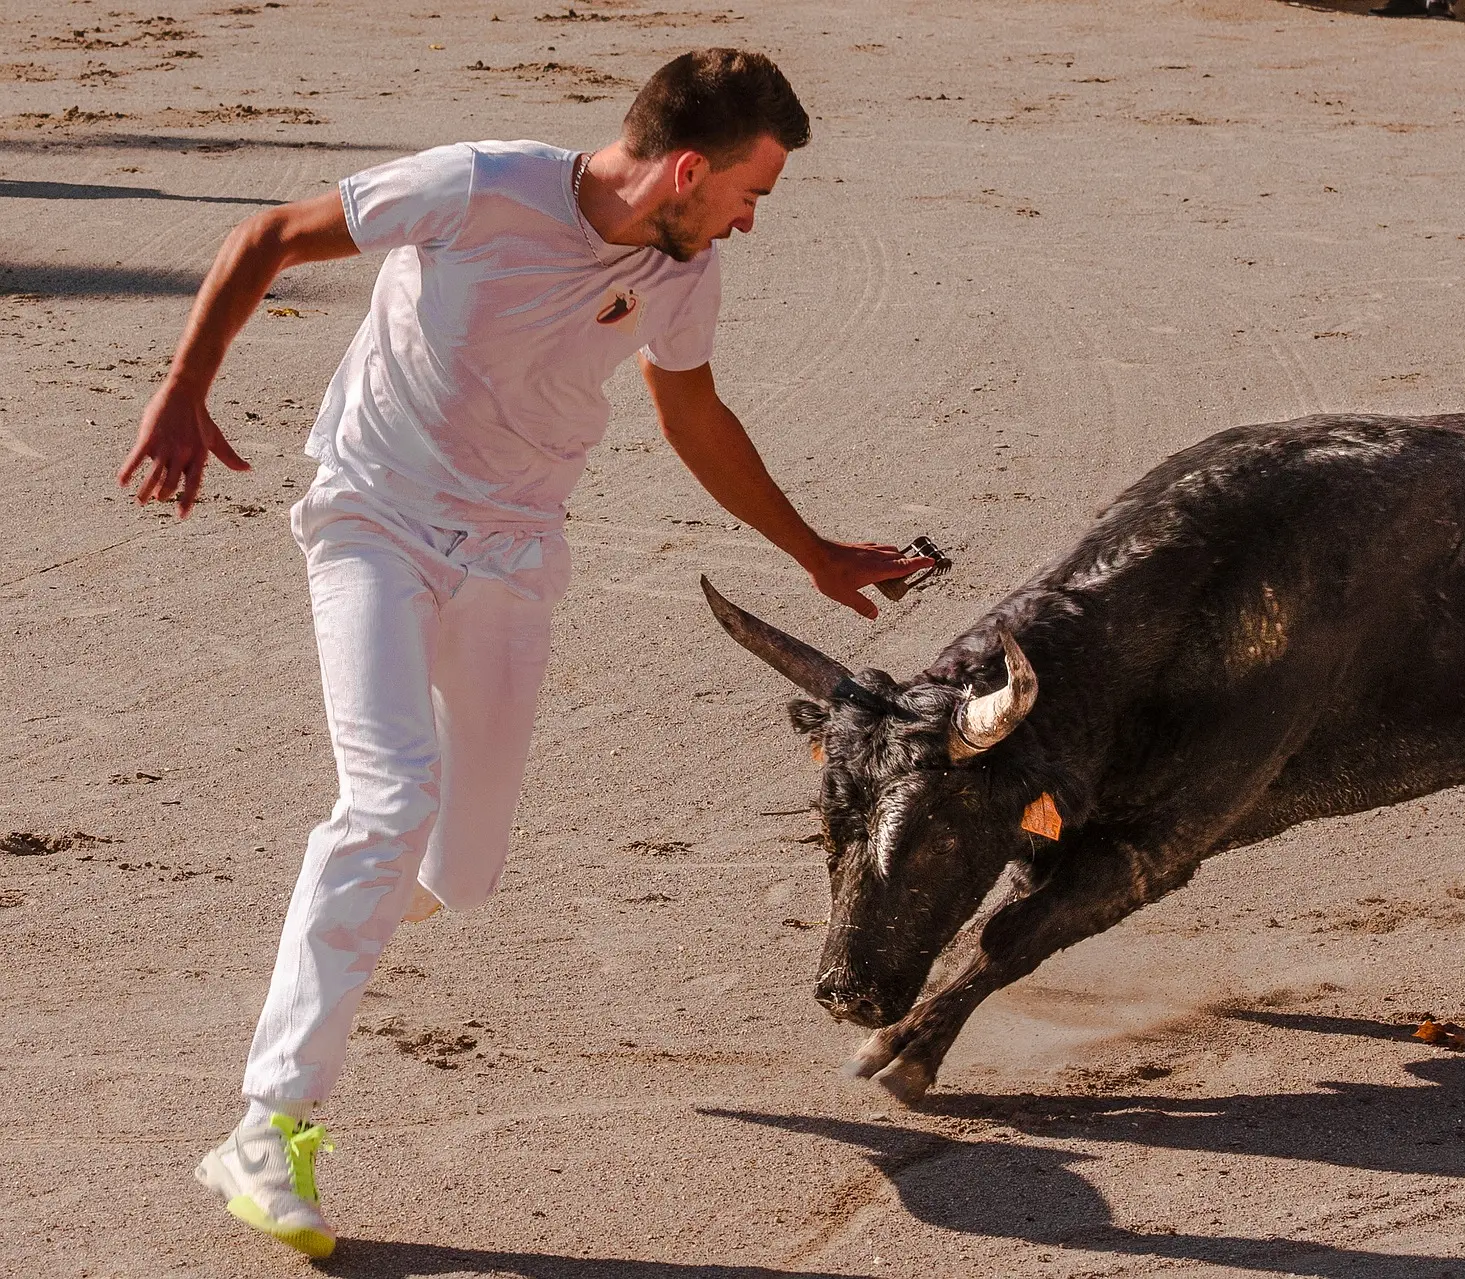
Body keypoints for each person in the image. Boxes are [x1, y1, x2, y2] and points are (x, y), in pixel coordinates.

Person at [118, 48, 932, 1259]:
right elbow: (271, 235)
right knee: (388, 801)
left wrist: (809, 550)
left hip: (512, 552)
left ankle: (338, 924)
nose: (750, 222)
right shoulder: (478, 187)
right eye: (749, 193)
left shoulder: (681, 268)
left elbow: (692, 412)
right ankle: (267, 1124)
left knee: (461, 870)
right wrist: (185, 385)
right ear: (689, 168)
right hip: (374, 520)